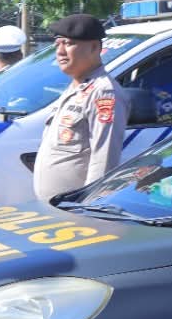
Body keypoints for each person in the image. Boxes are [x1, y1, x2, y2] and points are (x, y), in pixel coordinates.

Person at [33, 13, 128, 200]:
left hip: (75, 209)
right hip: (54, 206)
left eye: (68, 44)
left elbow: (104, 160)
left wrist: (89, 205)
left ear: (94, 47)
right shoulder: (77, 86)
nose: (60, 51)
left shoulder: (103, 92)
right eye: (57, 44)